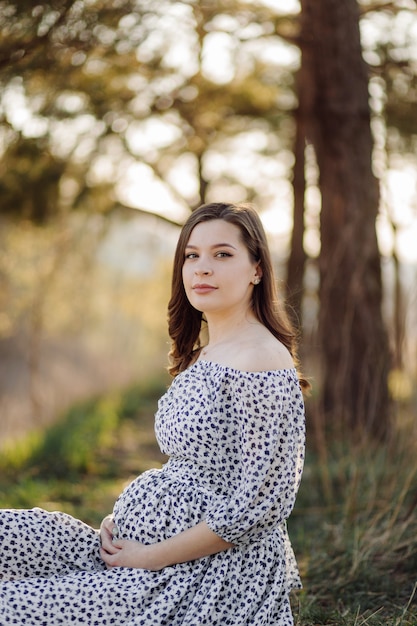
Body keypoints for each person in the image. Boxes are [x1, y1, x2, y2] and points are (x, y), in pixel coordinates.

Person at [0, 202, 308, 626]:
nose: (202, 268)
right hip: (132, 549)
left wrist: (148, 557)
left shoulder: (261, 360)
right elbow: (192, 469)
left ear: (256, 268)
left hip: (198, 579)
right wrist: (119, 521)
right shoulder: (206, 353)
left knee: (11, 607)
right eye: (191, 255)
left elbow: (261, 505)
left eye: (222, 254)